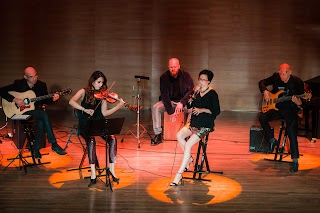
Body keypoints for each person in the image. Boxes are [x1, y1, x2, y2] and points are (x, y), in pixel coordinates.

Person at [69, 71, 125, 187]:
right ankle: (93, 173)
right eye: (98, 82)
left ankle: (112, 170)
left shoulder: (102, 95)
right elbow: (71, 101)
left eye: (102, 83)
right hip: (85, 123)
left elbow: (105, 112)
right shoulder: (83, 91)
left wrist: (117, 107)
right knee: (91, 140)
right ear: (92, 81)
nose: (100, 85)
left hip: (98, 123)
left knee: (112, 139)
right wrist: (84, 109)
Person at [0, 67, 67, 159]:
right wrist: (15, 99)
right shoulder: (18, 84)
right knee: (43, 116)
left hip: (34, 111)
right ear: (25, 77)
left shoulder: (41, 85)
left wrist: (53, 99)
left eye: (35, 75)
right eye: (31, 77)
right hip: (21, 112)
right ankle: (53, 144)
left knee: (41, 120)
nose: (34, 78)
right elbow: (1, 91)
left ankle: (36, 150)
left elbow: (46, 101)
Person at [171, 69, 220, 186]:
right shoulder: (196, 91)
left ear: (209, 82)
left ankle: (179, 174)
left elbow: (216, 111)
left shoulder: (212, 93)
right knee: (179, 135)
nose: (201, 82)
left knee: (188, 145)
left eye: (204, 80)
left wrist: (202, 110)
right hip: (194, 122)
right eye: (200, 79)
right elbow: (189, 105)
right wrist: (193, 96)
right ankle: (189, 159)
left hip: (205, 124)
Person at [258, 63, 304, 172]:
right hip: (276, 108)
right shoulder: (276, 77)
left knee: (291, 130)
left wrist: (298, 102)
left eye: (284, 74)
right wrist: (265, 91)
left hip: (290, 110)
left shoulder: (297, 82)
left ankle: (295, 161)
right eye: (281, 74)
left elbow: (302, 103)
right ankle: (272, 140)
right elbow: (262, 82)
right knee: (262, 117)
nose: (282, 76)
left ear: (290, 72)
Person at [151, 58, 194, 146]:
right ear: (168, 67)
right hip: (169, 102)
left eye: (175, 67)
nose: (173, 69)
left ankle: (187, 133)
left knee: (192, 110)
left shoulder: (186, 75)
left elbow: (191, 91)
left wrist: (182, 103)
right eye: (171, 67)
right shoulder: (163, 77)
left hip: (182, 102)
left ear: (179, 66)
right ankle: (158, 134)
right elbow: (164, 95)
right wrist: (170, 111)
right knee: (156, 107)